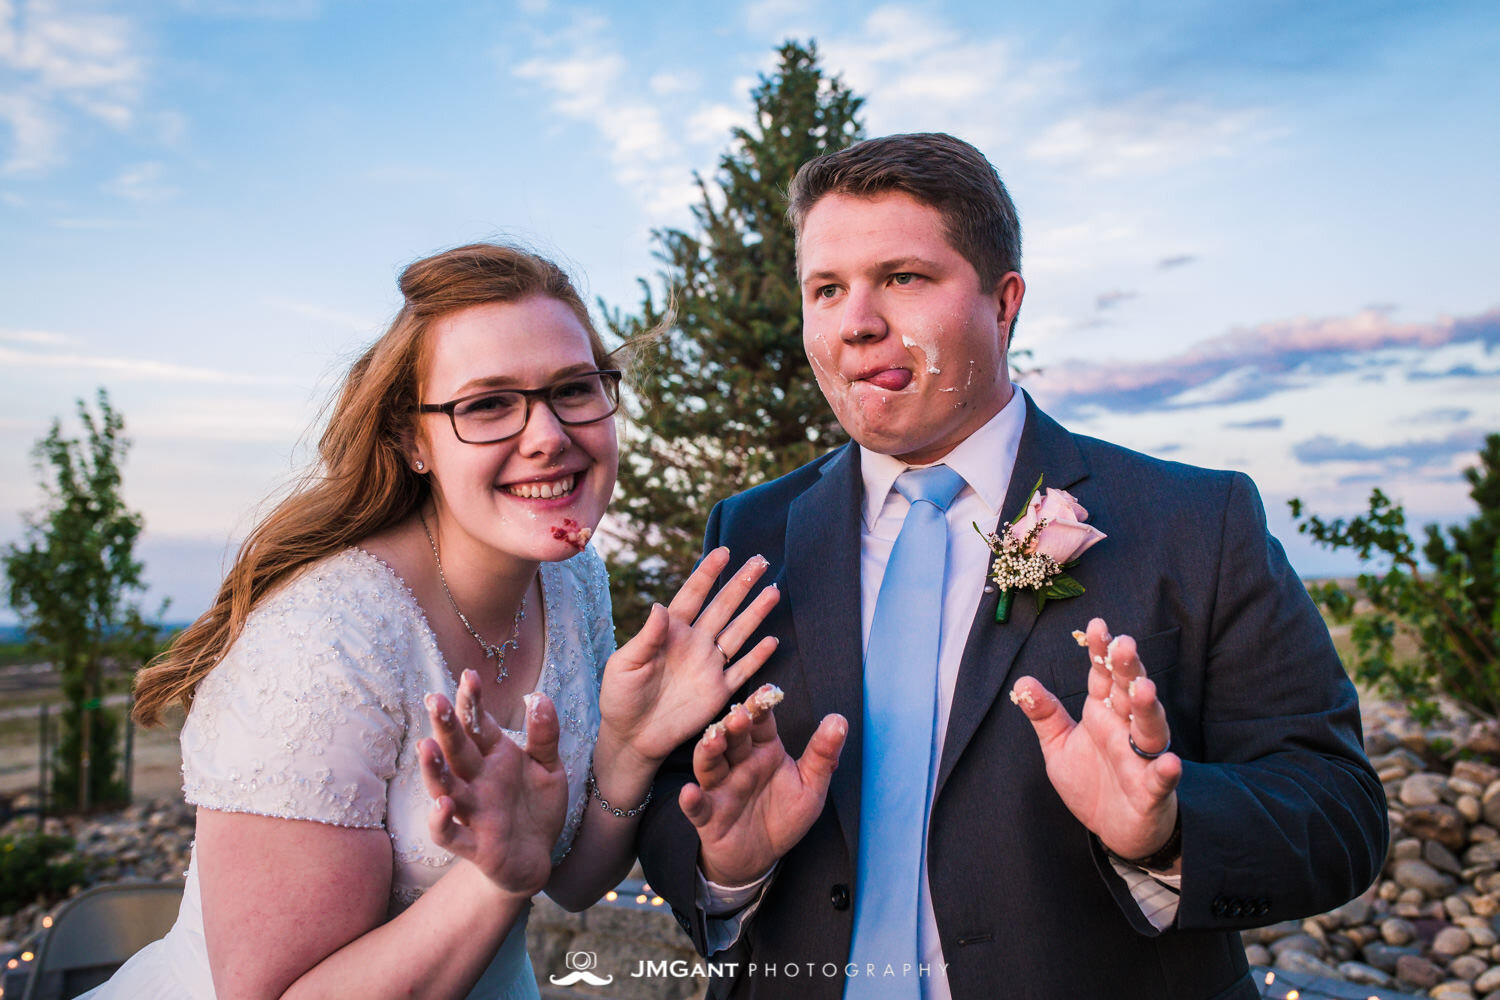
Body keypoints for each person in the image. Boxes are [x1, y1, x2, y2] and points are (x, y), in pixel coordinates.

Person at [635, 133, 1389, 1000]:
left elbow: (1340, 813)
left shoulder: (1195, 522)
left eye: (903, 278)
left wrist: (1169, 831)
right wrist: (727, 865)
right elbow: (672, 800)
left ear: (1005, 303)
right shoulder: (751, 530)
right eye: (827, 289)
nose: (856, 322)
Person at [84, 243, 781, 1000]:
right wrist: (494, 878)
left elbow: (576, 882)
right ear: (413, 440)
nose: (548, 435)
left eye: (574, 389)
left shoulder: (572, 580)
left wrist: (630, 747)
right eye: (487, 405)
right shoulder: (325, 640)